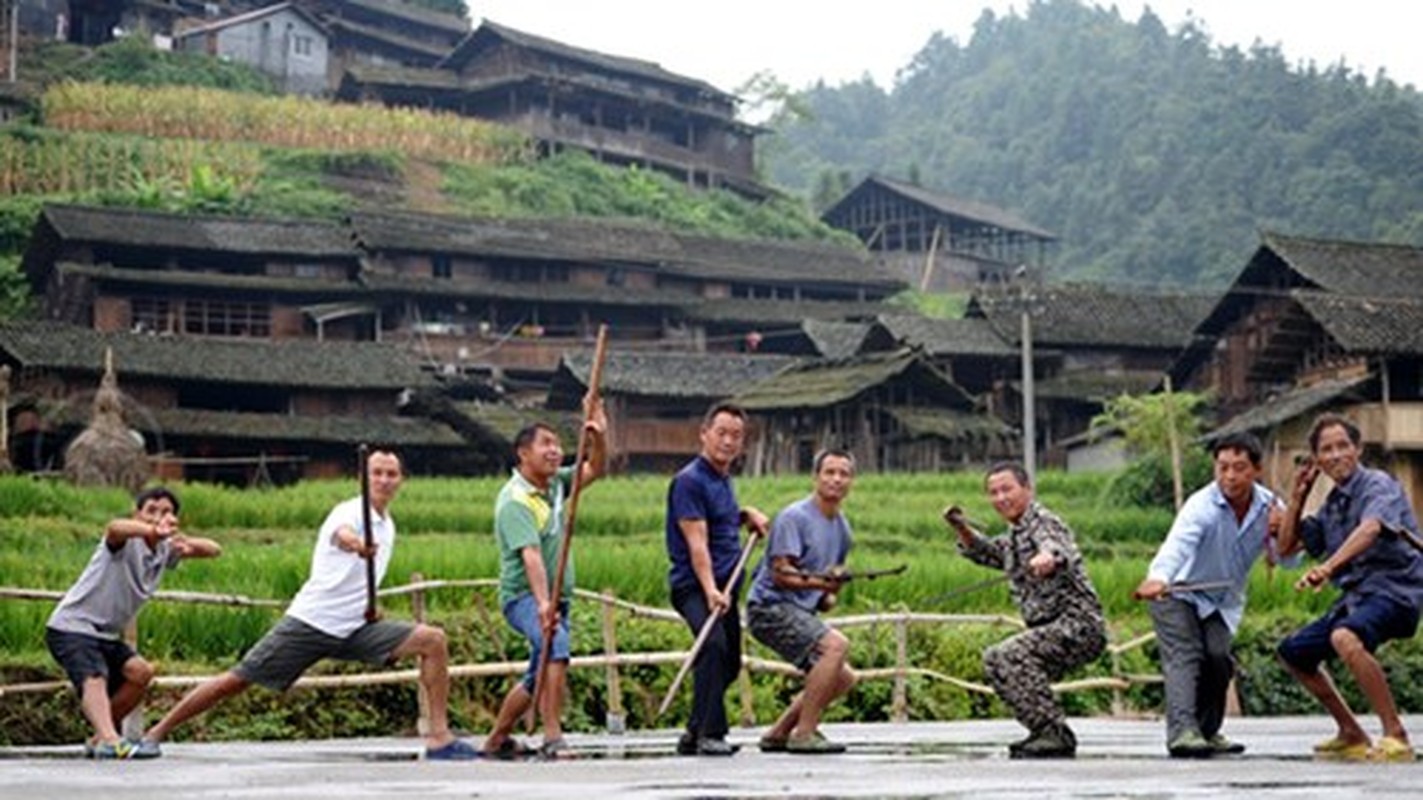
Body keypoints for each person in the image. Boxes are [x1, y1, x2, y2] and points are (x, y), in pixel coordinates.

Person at [138, 449, 477, 760]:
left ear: (401, 480)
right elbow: (342, 536)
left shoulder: (388, 525)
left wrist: (371, 607)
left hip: (355, 627)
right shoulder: (348, 512)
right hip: (312, 623)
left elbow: (360, 578)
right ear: (364, 476)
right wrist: (357, 545)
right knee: (237, 680)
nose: (384, 480)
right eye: (377, 473)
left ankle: (438, 737)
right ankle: (156, 733)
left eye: (391, 474)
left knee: (433, 640)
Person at [1275, 413, 1423, 762]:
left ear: (1357, 450)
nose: (1337, 454)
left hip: (1396, 591)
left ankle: (1395, 735)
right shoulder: (1332, 505)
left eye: (1343, 446)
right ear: (1318, 461)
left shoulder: (1378, 485)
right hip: (1357, 599)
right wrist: (1298, 496)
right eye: (1327, 449)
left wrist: (1327, 567)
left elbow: (1370, 529)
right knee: (1293, 652)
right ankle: (1351, 732)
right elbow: (1285, 548)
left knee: (1344, 637)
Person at [1134, 432, 1284, 758]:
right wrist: (1158, 578)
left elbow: (1287, 559)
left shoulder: (1271, 507)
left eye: (1239, 468)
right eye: (1223, 467)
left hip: (1222, 600)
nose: (1229, 476)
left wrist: (1282, 531)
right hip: (1176, 590)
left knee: (1218, 659)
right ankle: (1182, 731)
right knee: (1185, 655)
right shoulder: (1201, 505)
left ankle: (1208, 730)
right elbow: (1177, 546)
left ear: (1257, 470)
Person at [943, 461, 1106, 759]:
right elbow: (988, 552)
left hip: (1078, 625)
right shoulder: (1015, 534)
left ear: (1027, 489)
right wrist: (961, 527)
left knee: (1008, 655)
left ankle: (1052, 732)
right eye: (993, 492)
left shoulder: (1042, 521)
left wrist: (1047, 558)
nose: (1001, 498)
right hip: (1049, 629)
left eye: (1007, 489)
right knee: (996, 661)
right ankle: (1044, 730)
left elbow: (1055, 546)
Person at [46, 487, 221, 759]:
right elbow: (114, 528)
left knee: (140, 673)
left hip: (106, 635)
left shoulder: (165, 549)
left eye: (165, 512)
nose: (157, 517)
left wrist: (188, 544)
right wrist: (150, 531)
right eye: (150, 511)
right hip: (73, 626)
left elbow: (214, 550)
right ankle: (110, 739)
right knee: (94, 675)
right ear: (137, 514)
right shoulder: (124, 541)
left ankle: (100, 737)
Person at [483, 403, 608, 760]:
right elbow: (531, 556)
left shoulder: (554, 485)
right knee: (556, 645)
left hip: (555, 597)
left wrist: (599, 434)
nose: (555, 450)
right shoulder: (515, 500)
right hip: (524, 597)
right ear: (524, 454)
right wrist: (542, 604)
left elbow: (595, 469)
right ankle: (553, 736)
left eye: (557, 444)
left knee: (536, 674)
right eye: (546, 444)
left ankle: (496, 739)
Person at [666, 402, 769, 756]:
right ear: (704, 434)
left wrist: (745, 515)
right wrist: (709, 589)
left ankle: (693, 731)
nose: (728, 441)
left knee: (729, 662)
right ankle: (711, 734)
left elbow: (720, 521)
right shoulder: (689, 481)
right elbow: (697, 543)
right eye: (721, 433)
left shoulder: (722, 480)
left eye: (736, 436)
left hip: (727, 585)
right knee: (712, 647)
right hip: (695, 585)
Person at [746, 448, 858, 755]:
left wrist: (831, 591)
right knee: (836, 646)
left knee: (845, 677)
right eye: (830, 472)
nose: (836, 479)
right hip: (769, 607)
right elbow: (782, 575)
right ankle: (804, 732)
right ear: (816, 477)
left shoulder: (843, 530)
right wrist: (824, 582)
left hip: (799, 611)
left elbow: (823, 599)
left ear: (852, 482)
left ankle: (779, 733)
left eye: (843, 474)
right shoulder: (794, 517)